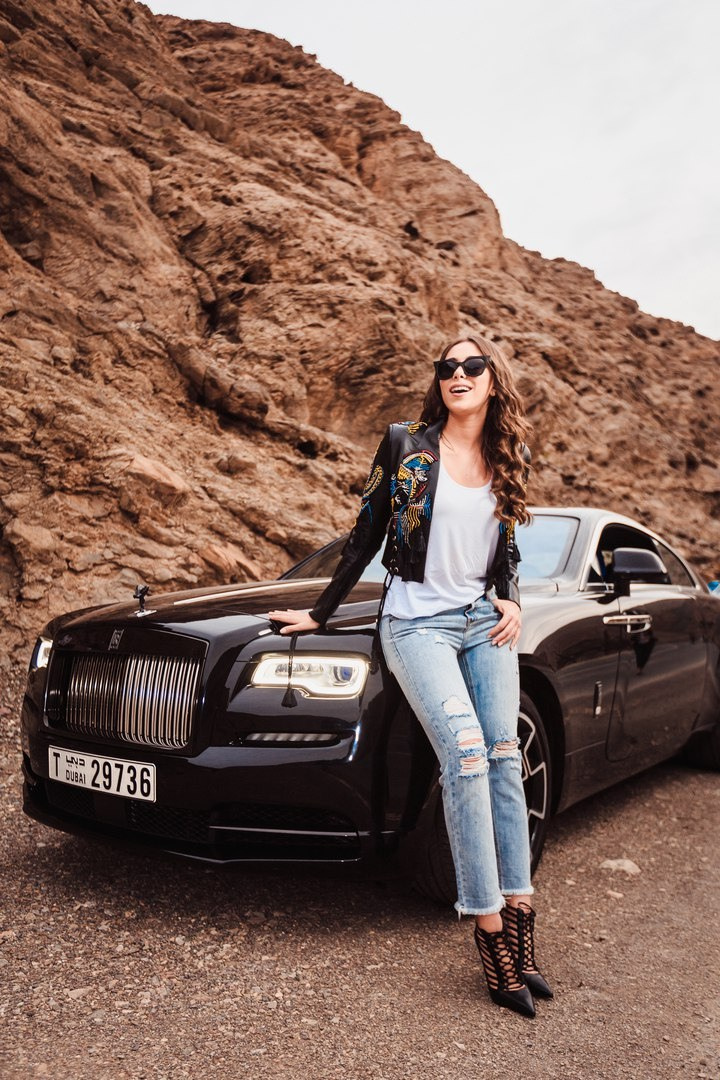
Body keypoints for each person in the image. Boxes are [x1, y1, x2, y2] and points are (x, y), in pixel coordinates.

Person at [270, 335, 552, 1018]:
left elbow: (504, 542)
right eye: (447, 367)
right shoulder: (406, 446)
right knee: (465, 756)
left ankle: (522, 918)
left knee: (506, 757)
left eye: (471, 366)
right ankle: (490, 936)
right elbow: (364, 533)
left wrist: (511, 595)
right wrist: (319, 613)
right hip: (416, 624)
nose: (457, 374)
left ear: (494, 381)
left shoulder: (506, 455)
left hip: (483, 623)